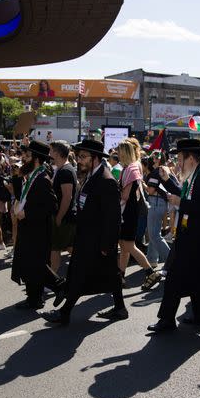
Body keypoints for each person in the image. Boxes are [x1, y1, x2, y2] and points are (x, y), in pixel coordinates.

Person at [42, 139, 127, 325]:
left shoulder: (106, 181)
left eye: (83, 157)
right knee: (109, 275)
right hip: (86, 237)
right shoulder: (90, 176)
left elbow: (113, 218)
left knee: (80, 275)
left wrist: (107, 245)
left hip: (97, 241)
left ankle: (65, 312)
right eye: (79, 156)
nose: (78, 160)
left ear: (95, 158)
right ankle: (120, 308)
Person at [147, 138, 200, 332]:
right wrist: (167, 181)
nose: (178, 163)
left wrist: (180, 202)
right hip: (190, 236)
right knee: (197, 279)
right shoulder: (195, 175)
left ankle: (166, 320)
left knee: (173, 278)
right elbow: (184, 194)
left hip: (197, 239)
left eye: (180, 159)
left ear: (191, 158)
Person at [10, 140, 63, 310]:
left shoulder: (42, 178)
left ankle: (59, 287)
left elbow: (51, 205)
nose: (23, 159)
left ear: (37, 159)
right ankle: (34, 298)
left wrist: (28, 213)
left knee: (35, 264)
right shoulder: (32, 176)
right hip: (29, 227)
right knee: (29, 264)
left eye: (27, 156)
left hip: (37, 229)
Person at [116, 140, 155, 285]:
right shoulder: (131, 168)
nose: (117, 155)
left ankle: (150, 272)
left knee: (128, 245)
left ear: (125, 153)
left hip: (129, 212)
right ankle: (120, 276)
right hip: (129, 211)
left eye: (119, 152)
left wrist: (113, 192)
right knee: (124, 245)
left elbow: (125, 196)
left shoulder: (130, 169)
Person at [49, 140, 78, 273]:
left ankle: (53, 279)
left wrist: (59, 217)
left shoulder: (65, 171)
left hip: (65, 217)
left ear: (58, 153)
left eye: (51, 150)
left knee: (55, 248)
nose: (49, 153)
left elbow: (67, 197)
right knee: (69, 247)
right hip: (65, 216)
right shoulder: (61, 169)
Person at [144, 151, 172, 270]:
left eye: (155, 157)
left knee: (154, 235)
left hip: (155, 202)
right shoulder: (164, 170)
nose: (153, 159)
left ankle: (172, 261)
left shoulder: (156, 172)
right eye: (152, 157)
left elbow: (150, 191)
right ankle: (152, 260)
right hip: (160, 203)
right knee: (154, 233)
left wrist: (141, 184)